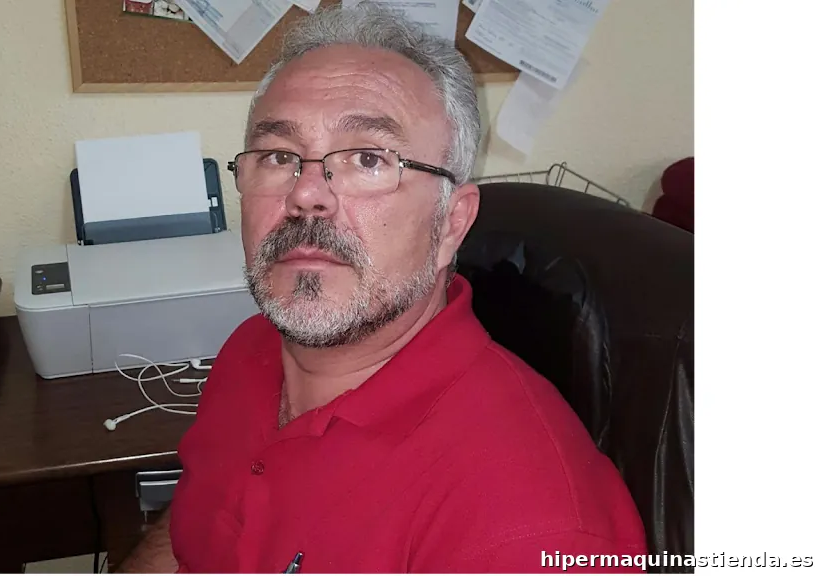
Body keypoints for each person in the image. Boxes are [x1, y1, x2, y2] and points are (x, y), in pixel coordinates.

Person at [120, 3, 647, 572]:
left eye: (368, 159)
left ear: (451, 224)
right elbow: (201, 525)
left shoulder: (528, 529)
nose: (305, 194)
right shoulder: (251, 348)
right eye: (278, 156)